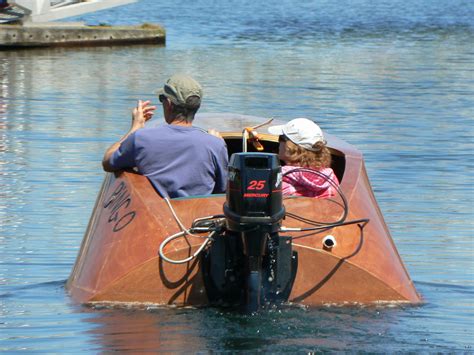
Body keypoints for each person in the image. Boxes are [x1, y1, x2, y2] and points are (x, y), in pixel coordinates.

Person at [102, 74, 228, 198]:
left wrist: (134, 128)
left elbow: (107, 162)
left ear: (168, 104)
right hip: (199, 216)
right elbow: (222, 190)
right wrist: (215, 143)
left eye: (161, 98)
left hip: (155, 214)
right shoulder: (216, 144)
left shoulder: (140, 138)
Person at [268, 118, 339, 198]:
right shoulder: (331, 177)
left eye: (281, 138)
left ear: (289, 146)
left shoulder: (279, 179)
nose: (279, 143)